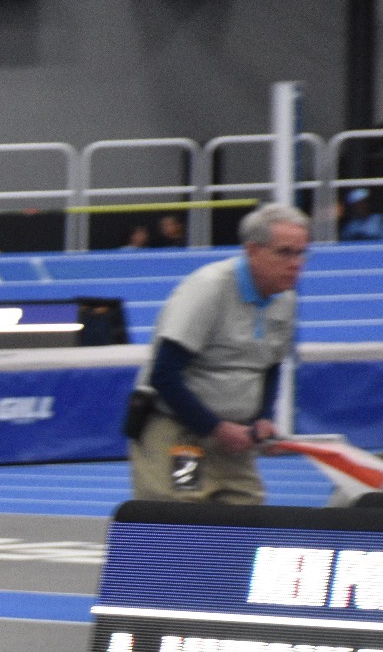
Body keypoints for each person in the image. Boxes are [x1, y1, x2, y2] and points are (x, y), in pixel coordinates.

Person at [125, 203, 307, 505]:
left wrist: (264, 416)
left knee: (245, 519)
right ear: (252, 250)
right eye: (285, 252)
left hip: (235, 439)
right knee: (181, 522)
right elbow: (164, 374)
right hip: (180, 435)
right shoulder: (208, 289)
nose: (296, 263)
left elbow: (271, 365)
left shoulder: (284, 299)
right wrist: (215, 428)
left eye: (301, 253)